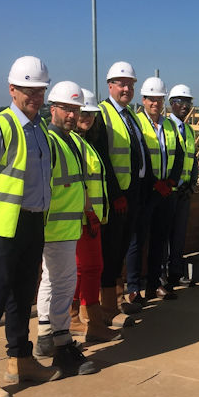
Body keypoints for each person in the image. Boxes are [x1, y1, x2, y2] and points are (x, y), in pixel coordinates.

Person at [0, 55, 61, 397]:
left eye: (40, 90)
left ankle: (20, 359)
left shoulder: (40, 131)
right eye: (28, 90)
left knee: (23, 296)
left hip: (33, 222)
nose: (35, 96)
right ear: (12, 89)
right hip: (3, 227)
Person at [34, 81, 97, 376]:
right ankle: (62, 347)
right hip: (56, 227)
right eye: (67, 109)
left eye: (76, 109)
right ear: (53, 108)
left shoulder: (67, 140)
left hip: (65, 224)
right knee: (63, 285)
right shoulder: (51, 141)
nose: (72, 115)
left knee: (51, 281)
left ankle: (45, 335)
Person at [88, 62, 152, 319]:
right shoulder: (102, 114)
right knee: (111, 250)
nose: (126, 88)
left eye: (130, 84)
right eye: (121, 83)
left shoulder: (130, 115)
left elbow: (139, 153)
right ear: (110, 85)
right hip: (118, 197)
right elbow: (103, 158)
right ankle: (107, 307)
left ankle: (116, 299)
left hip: (133, 192)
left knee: (123, 248)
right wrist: (115, 195)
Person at [71, 88, 121, 342]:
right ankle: (85, 320)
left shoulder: (86, 143)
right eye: (83, 112)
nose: (87, 117)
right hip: (79, 220)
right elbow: (77, 183)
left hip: (90, 219)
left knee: (87, 270)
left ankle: (83, 318)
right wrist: (88, 211)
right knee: (86, 269)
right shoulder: (72, 143)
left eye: (91, 113)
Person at [129, 76, 175, 299]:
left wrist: (171, 181)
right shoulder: (137, 123)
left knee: (159, 240)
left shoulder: (168, 125)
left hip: (165, 192)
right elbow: (136, 157)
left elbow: (178, 155)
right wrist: (153, 183)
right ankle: (134, 287)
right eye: (151, 99)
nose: (155, 103)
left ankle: (154, 283)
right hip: (146, 192)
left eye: (159, 99)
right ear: (143, 100)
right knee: (138, 241)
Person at [159, 83, 199, 296]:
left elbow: (192, 160)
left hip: (184, 191)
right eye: (180, 102)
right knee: (164, 235)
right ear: (171, 104)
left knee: (179, 235)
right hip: (168, 191)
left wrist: (192, 183)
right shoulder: (166, 127)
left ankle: (176, 271)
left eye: (188, 102)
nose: (184, 106)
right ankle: (163, 275)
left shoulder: (189, 130)